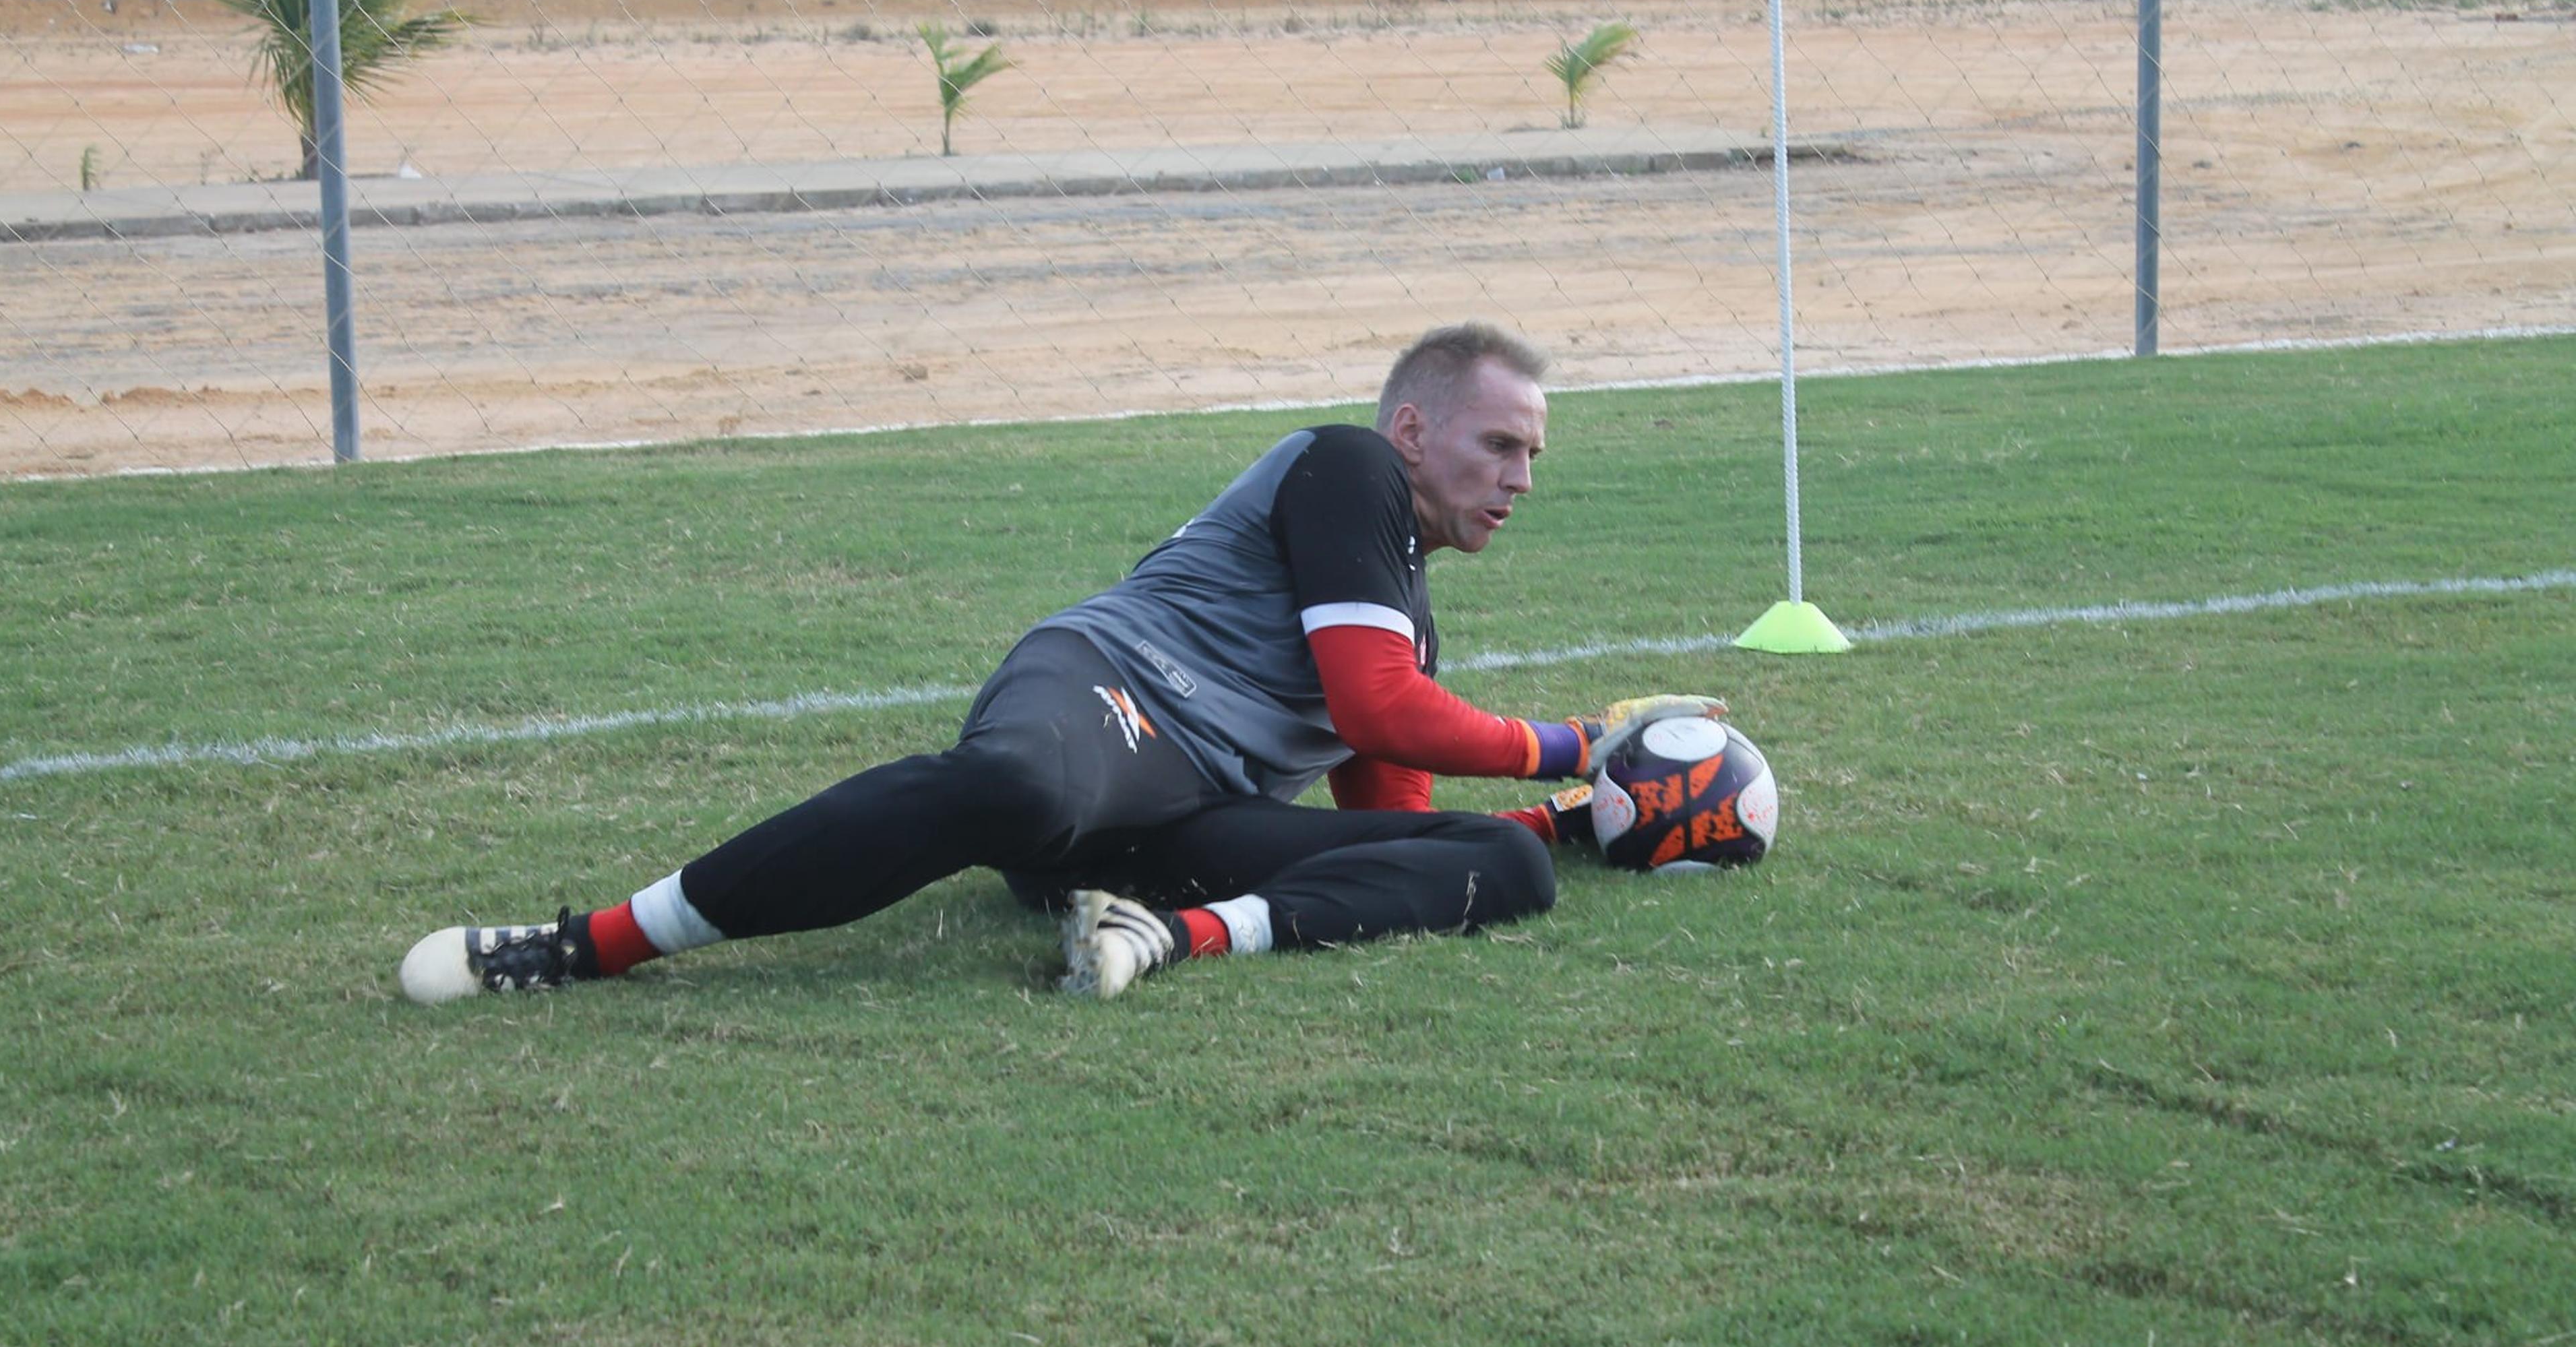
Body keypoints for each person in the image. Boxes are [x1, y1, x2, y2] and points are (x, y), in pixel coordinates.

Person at [398, 322, 1719, 1004]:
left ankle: (1164, 938)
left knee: (1511, 869)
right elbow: (1381, 706)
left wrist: (1576, 812)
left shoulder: (1406, 614)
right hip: (1106, 697)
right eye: (1500, 446)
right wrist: (1579, 741)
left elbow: (1394, 811)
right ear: (1415, 428)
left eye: (1536, 454)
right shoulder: (1348, 467)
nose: (1522, 479)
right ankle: (591, 944)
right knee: (1020, 792)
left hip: (1171, 826)